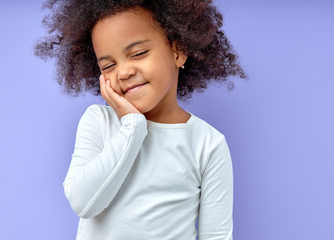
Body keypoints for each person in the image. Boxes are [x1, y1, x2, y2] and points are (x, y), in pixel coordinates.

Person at [35, 0, 246, 239]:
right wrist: (132, 127)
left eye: (138, 53)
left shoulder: (207, 144)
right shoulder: (98, 122)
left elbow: (216, 236)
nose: (124, 72)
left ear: (178, 52)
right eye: (109, 65)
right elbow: (83, 203)